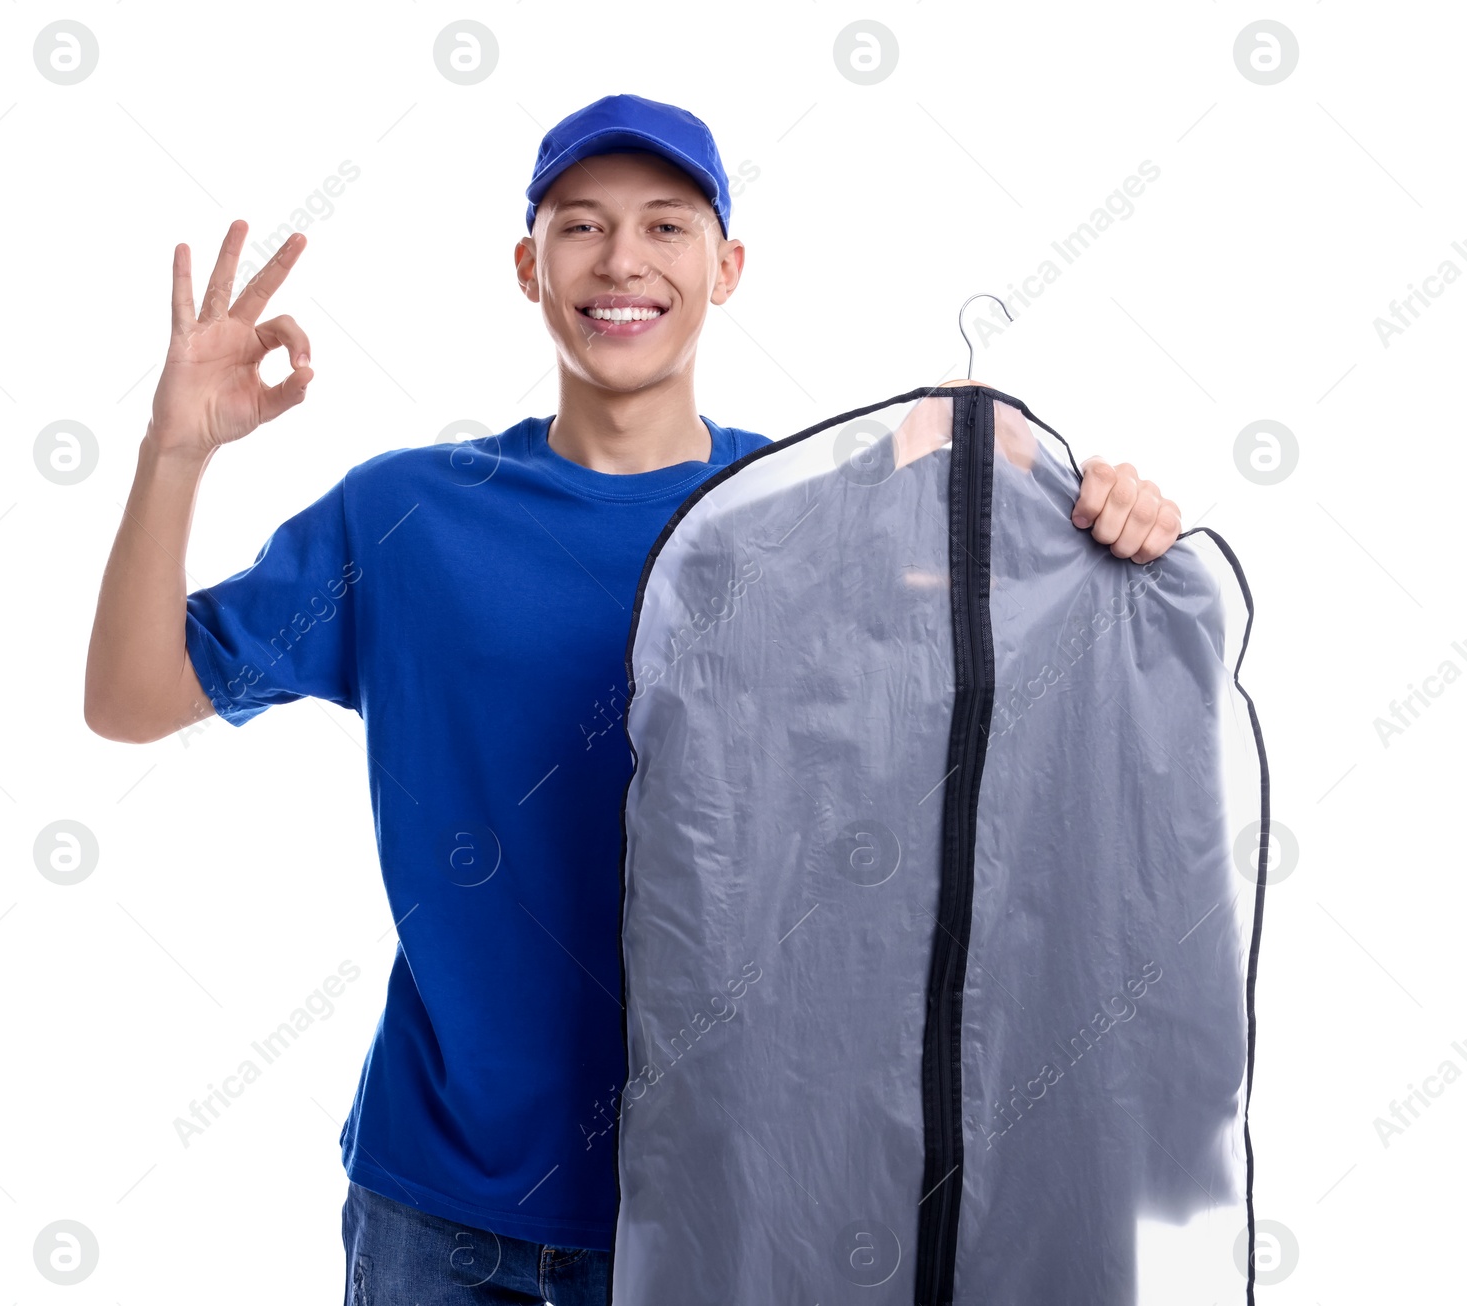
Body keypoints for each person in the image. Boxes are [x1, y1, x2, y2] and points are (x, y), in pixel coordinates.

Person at [82, 93, 1184, 1305]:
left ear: (727, 267)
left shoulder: (817, 518)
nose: (622, 262)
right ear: (527, 265)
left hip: (735, 1207)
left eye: (666, 227)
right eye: (580, 226)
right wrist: (175, 449)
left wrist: (1107, 531)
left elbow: (1017, 685)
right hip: (440, 1215)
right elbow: (133, 697)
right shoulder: (405, 517)